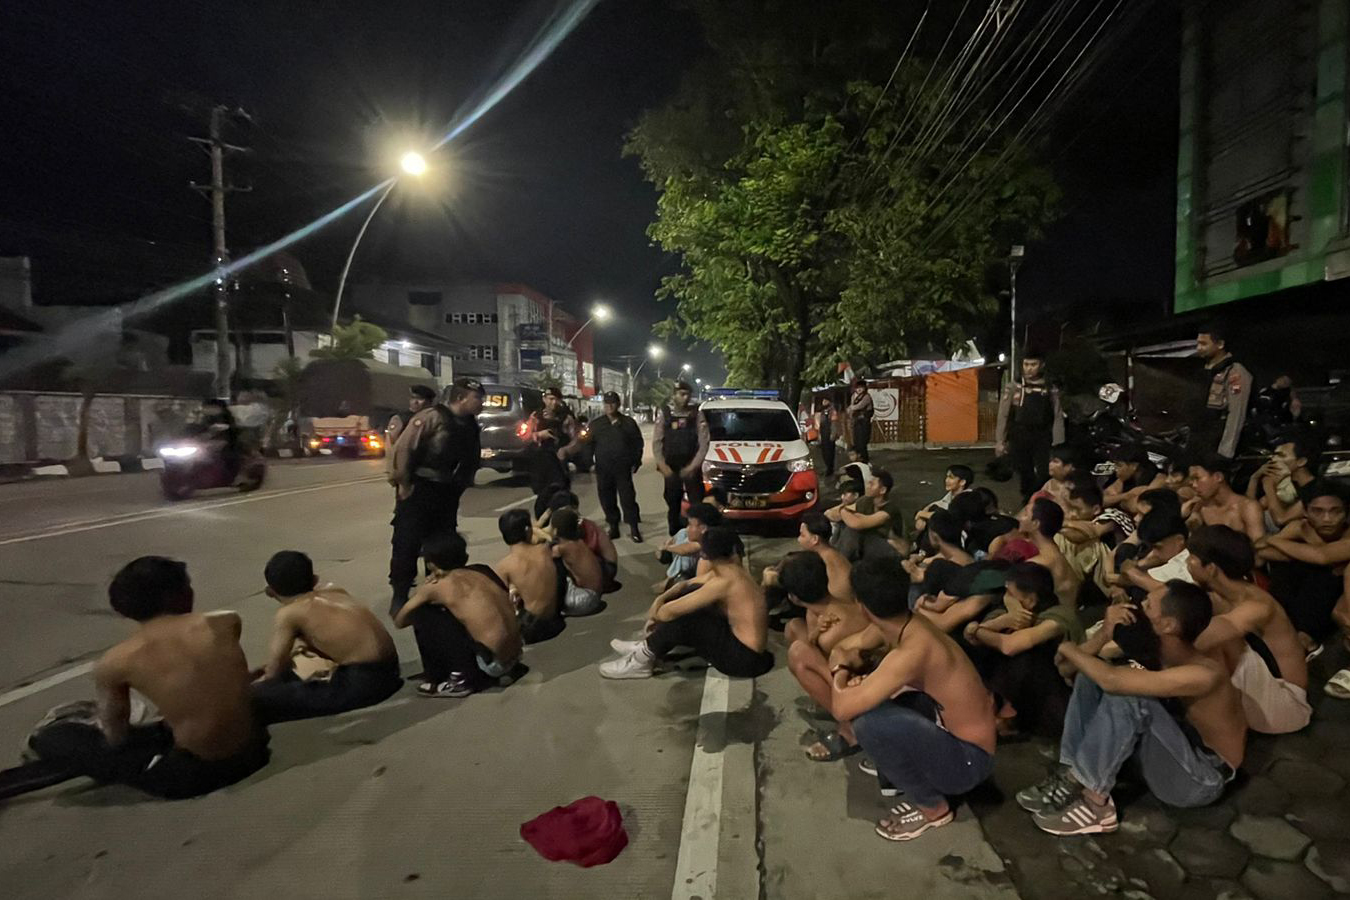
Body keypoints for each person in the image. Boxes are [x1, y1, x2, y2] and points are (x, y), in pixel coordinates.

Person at [23, 557, 269, 799]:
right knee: (169, 725)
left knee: (54, 738)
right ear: (177, 595)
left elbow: (116, 737)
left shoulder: (116, 661)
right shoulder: (226, 621)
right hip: (255, 749)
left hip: (197, 773)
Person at [1019, 581, 1246, 834]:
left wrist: (1064, 645)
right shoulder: (1159, 649)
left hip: (1202, 778)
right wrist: (1105, 632)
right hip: (1174, 751)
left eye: (1148, 605)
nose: (1137, 607)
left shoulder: (1205, 673)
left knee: (1128, 695)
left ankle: (1095, 805)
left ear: (1168, 625)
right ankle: (1072, 775)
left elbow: (1111, 681)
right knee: (1092, 675)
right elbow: (1068, 668)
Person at [806, 555, 997, 842]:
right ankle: (902, 769)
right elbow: (847, 647)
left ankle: (933, 808)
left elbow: (841, 707)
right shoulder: (907, 623)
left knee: (868, 722)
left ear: (862, 606)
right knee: (873, 696)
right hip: (950, 734)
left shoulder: (913, 649)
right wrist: (851, 671)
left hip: (969, 763)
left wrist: (842, 670)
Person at [601, 527, 772, 679]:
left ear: (704, 555)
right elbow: (686, 584)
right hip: (749, 653)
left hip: (744, 660)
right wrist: (662, 599)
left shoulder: (725, 582)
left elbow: (667, 613)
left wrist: (656, 610)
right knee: (689, 596)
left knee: (686, 619)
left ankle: (641, 660)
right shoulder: (730, 571)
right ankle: (648, 646)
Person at [251, 551, 402, 723]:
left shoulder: (289, 613)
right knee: (293, 675)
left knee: (256, 697)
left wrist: (258, 682)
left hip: (364, 683)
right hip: (391, 671)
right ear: (314, 579)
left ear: (270, 591)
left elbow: (273, 673)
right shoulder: (336, 591)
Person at [1187, 526, 1311, 734]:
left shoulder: (1257, 606)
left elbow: (1207, 637)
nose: (1187, 563)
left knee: (1221, 640)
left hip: (1287, 705)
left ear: (1211, 569)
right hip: (1261, 697)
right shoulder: (1220, 595)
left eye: (1191, 558)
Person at [388, 377, 485, 616]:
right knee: (407, 543)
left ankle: (441, 591)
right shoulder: (432, 417)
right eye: (478, 398)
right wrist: (403, 483)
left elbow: (471, 458)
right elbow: (403, 449)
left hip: (447, 491)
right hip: (420, 489)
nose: (481, 403)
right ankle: (400, 595)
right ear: (461, 398)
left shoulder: (470, 424)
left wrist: (462, 486)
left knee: (443, 545)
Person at [394, 533, 525, 699]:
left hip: (489, 665)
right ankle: (500, 669)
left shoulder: (439, 586)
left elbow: (400, 620)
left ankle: (457, 677)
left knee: (424, 613)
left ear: (431, 563)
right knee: (463, 612)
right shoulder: (482, 570)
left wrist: (424, 592)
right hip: (515, 655)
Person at [963, 562, 1085, 738]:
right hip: (1027, 694)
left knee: (1025, 657)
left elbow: (1009, 646)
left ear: (1030, 600)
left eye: (1011, 594)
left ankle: (1008, 717)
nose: (1006, 598)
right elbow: (971, 637)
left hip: (1059, 694)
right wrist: (1001, 622)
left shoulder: (1060, 615)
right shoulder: (1006, 614)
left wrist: (977, 630)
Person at [1258, 480, 1350, 654]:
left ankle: (1305, 640)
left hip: (1331, 604)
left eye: (1335, 511)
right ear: (1306, 512)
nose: (1327, 519)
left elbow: (1323, 557)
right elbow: (1262, 552)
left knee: (1326, 575)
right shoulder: (1300, 527)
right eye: (1318, 511)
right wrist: (1300, 550)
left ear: (1346, 514)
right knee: (1293, 567)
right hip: (1292, 601)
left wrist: (1274, 539)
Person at [995, 350, 1066, 501]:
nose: (1029, 368)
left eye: (1033, 364)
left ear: (1042, 365)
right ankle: (1027, 502)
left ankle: (1042, 500)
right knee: (1023, 471)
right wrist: (1000, 441)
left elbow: (1057, 415)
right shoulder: (1015, 386)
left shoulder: (1050, 388)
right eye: (1026, 364)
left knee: (1044, 472)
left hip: (1043, 436)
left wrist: (1058, 443)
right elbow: (1004, 414)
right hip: (1020, 435)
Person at [493, 509, 566, 644]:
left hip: (531, 629)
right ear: (528, 530)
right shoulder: (546, 550)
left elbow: (501, 605)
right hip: (556, 620)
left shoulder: (505, 566)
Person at [652, 381, 711, 536]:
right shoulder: (665, 413)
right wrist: (662, 465)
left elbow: (704, 443)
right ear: (674, 395)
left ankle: (697, 535)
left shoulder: (696, 414)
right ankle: (675, 535)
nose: (685, 398)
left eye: (687, 394)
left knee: (696, 504)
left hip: (691, 466)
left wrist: (692, 467)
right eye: (681, 394)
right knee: (673, 503)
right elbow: (657, 441)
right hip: (671, 467)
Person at [589, 391, 645, 542]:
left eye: (612, 403)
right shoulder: (596, 424)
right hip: (603, 468)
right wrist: (589, 464)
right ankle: (613, 526)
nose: (609, 406)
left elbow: (637, 444)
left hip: (623, 468)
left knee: (628, 498)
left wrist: (636, 461)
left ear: (618, 404)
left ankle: (634, 528)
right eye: (607, 403)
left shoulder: (628, 423)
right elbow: (588, 445)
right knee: (607, 499)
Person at [1195, 324, 1253, 459]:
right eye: (1198, 343)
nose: (1199, 348)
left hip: (1217, 440)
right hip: (1200, 438)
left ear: (1220, 344)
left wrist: (1225, 453)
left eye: (1204, 344)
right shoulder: (1203, 370)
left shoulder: (1234, 372)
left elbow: (1236, 414)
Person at [527, 387, 580, 518]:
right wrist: (539, 434)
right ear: (544, 399)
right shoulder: (536, 417)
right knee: (542, 499)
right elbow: (524, 436)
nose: (554, 402)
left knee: (561, 498)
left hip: (559, 464)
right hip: (541, 463)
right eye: (550, 399)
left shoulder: (566, 418)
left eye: (557, 399)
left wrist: (565, 450)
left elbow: (577, 441)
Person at [831, 469, 904, 563]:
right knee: (842, 525)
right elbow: (832, 514)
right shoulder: (866, 501)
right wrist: (845, 512)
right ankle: (837, 557)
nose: (868, 486)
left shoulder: (890, 509)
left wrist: (843, 511)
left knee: (853, 530)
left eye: (872, 484)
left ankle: (838, 561)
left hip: (890, 548)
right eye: (868, 483)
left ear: (882, 490)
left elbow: (858, 523)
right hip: (870, 543)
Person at [1188, 453, 1264, 543]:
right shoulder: (1200, 508)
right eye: (1192, 480)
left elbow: (1258, 548)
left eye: (1197, 478)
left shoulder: (1248, 507)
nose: (1194, 485)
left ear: (1218, 477)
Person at [1247, 434, 1317, 531]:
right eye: (1274, 455)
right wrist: (1254, 478)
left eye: (1281, 456)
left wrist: (1268, 486)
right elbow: (1249, 512)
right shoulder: (1287, 485)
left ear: (1301, 461)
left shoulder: (1315, 490)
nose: (1274, 460)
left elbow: (1280, 519)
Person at [552, 507, 606, 616]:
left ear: (556, 530)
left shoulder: (561, 549)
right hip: (594, 595)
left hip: (585, 599)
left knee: (551, 572)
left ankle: (552, 610)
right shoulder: (579, 542)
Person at [658, 501, 722, 588]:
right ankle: (671, 576)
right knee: (682, 533)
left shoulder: (711, 543)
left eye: (691, 525)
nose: (688, 528)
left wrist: (666, 548)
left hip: (709, 586)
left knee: (686, 554)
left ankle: (673, 578)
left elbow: (686, 549)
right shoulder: (705, 535)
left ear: (703, 528)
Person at [384, 385, 437, 469]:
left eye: (420, 399)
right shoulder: (401, 418)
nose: (415, 402)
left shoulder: (435, 418)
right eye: (413, 398)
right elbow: (392, 446)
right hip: (407, 466)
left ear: (429, 402)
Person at [1102, 446, 1163, 515]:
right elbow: (1102, 501)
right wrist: (1126, 495)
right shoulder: (1123, 478)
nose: (1115, 469)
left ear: (1134, 466)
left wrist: (1119, 500)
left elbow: (1135, 507)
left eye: (1119, 465)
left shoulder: (1158, 479)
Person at [914, 465, 973, 531]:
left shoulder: (971, 499)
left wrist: (923, 514)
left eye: (951, 477)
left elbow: (952, 518)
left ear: (962, 482)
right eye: (947, 477)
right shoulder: (940, 503)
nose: (946, 480)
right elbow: (919, 526)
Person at [846, 379, 875, 463]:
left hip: (864, 423)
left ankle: (865, 461)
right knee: (856, 443)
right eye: (857, 388)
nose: (859, 390)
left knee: (862, 444)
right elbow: (851, 408)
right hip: (856, 422)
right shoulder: (854, 396)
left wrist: (850, 408)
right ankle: (859, 460)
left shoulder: (866, 397)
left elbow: (858, 406)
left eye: (861, 388)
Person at [815, 397, 838, 476]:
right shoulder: (820, 411)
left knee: (830, 452)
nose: (824, 402)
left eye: (826, 400)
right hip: (823, 432)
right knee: (824, 451)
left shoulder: (832, 410)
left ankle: (830, 468)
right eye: (823, 400)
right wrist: (819, 435)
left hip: (830, 432)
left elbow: (834, 423)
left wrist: (833, 434)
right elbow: (818, 424)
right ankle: (827, 467)